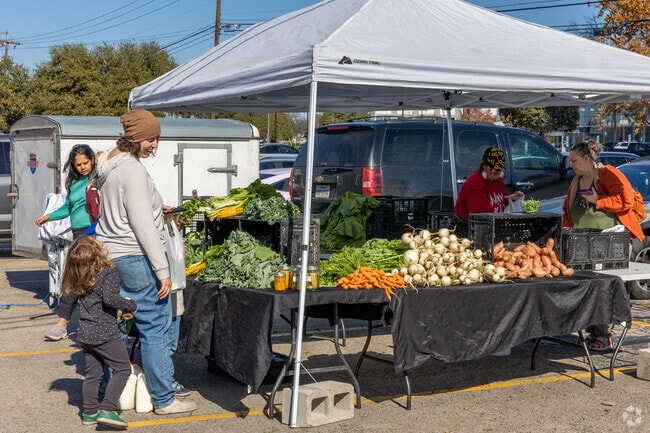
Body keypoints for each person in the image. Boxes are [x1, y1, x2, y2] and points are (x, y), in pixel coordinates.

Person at [95, 108, 197, 415]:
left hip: (111, 254)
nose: (155, 145)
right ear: (136, 138)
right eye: (151, 139)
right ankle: (164, 399)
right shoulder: (133, 171)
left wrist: (155, 207)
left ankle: (110, 391)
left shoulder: (110, 163)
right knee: (154, 325)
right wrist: (163, 271)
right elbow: (141, 225)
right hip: (135, 254)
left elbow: (126, 209)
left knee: (119, 326)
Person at [562, 139, 644, 351]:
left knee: (601, 288)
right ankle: (594, 332)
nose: (572, 164)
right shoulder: (576, 180)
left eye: (574, 160)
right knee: (587, 287)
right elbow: (568, 210)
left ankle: (602, 334)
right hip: (583, 242)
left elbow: (625, 200)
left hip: (610, 243)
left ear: (587, 158)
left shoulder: (608, 174)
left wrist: (598, 200)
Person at [61, 236, 137, 428]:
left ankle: (89, 412)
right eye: (99, 244)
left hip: (86, 333)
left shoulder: (81, 274)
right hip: (105, 333)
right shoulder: (109, 272)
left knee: (93, 373)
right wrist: (130, 305)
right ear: (95, 254)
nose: (103, 243)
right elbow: (110, 299)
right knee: (122, 369)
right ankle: (108, 409)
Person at [38, 144, 97, 341]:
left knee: (82, 279)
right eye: (78, 164)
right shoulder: (75, 183)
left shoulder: (98, 179)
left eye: (85, 163)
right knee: (74, 279)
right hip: (78, 234)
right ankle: (64, 324)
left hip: (94, 233)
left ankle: (63, 323)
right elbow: (67, 208)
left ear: (92, 160)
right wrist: (49, 217)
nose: (82, 167)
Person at [454, 146, 524, 222]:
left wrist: (513, 199)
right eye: (494, 170)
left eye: (499, 170)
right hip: (469, 226)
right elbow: (480, 217)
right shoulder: (475, 184)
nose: (497, 172)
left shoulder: (497, 180)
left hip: (492, 223)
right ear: (485, 166)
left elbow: (504, 200)